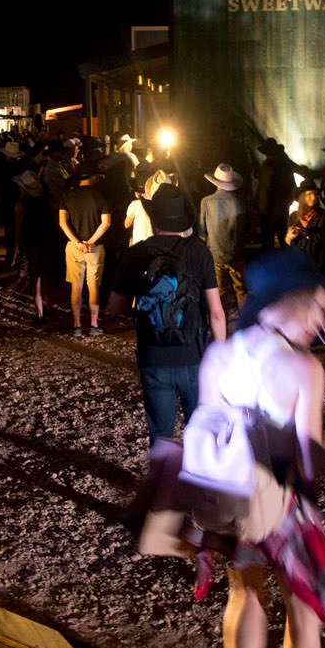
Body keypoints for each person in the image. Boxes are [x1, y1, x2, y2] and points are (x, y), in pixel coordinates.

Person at [195, 249, 325, 648]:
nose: (320, 323)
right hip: (284, 504)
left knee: (245, 593)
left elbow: (207, 428)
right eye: (316, 310)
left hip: (230, 498)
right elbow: (309, 462)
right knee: (302, 607)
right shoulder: (303, 368)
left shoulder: (220, 354)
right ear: (288, 304)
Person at [110, 184, 226, 443]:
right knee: (201, 436)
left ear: (153, 219)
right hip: (193, 355)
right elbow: (216, 313)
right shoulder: (199, 252)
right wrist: (219, 355)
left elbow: (115, 306)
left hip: (153, 355)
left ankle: (162, 469)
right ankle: (196, 469)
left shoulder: (135, 253)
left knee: (161, 438)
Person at [58, 163, 111, 337]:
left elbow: (62, 223)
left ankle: (77, 326)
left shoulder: (67, 195)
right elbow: (106, 223)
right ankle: (94, 324)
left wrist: (77, 242)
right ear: (92, 177)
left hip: (74, 247)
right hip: (95, 247)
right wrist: (90, 242)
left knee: (76, 287)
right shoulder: (100, 195)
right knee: (93, 286)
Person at [198, 163, 248, 321]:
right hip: (237, 255)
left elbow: (201, 232)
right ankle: (246, 323)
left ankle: (222, 324)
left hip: (215, 255)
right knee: (241, 290)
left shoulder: (206, 202)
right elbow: (247, 230)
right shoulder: (240, 201)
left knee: (220, 292)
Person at [13, 168, 63, 325]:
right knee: (47, 277)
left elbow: (19, 229)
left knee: (36, 280)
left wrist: (16, 250)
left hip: (32, 245)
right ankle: (49, 307)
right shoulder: (46, 202)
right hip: (48, 243)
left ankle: (39, 313)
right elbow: (56, 224)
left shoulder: (21, 205)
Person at [255, 138, 299, 249]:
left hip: (268, 213)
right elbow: (293, 187)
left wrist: (261, 211)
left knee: (268, 244)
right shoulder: (286, 167)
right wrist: (287, 203)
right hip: (283, 211)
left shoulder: (267, 166)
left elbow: (264, 192)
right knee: (284, 241)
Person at [285, 178, 325, 277]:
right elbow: (289, 242)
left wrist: (302, 232)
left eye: (315, 194)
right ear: (302, 196)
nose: (314, 197)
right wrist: (289, 236)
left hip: (317, 262)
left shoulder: (322, 214)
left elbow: (319, 238)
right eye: (309, 194)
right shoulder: (293, 217)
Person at [126, 169, 170, 246]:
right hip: (158, 244)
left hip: (140, 243)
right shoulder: (166, 205)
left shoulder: (135, 204)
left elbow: (127, 224)